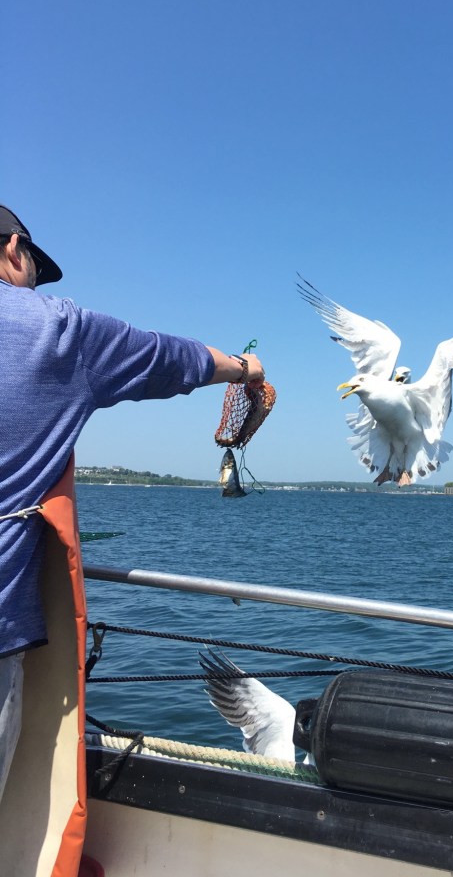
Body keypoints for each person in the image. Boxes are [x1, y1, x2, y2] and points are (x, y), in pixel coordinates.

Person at [0, 203, 265, 803]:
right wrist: (246, 367)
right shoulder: (55, 330)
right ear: (15, 250)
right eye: (34, 272)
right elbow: (171, 359)